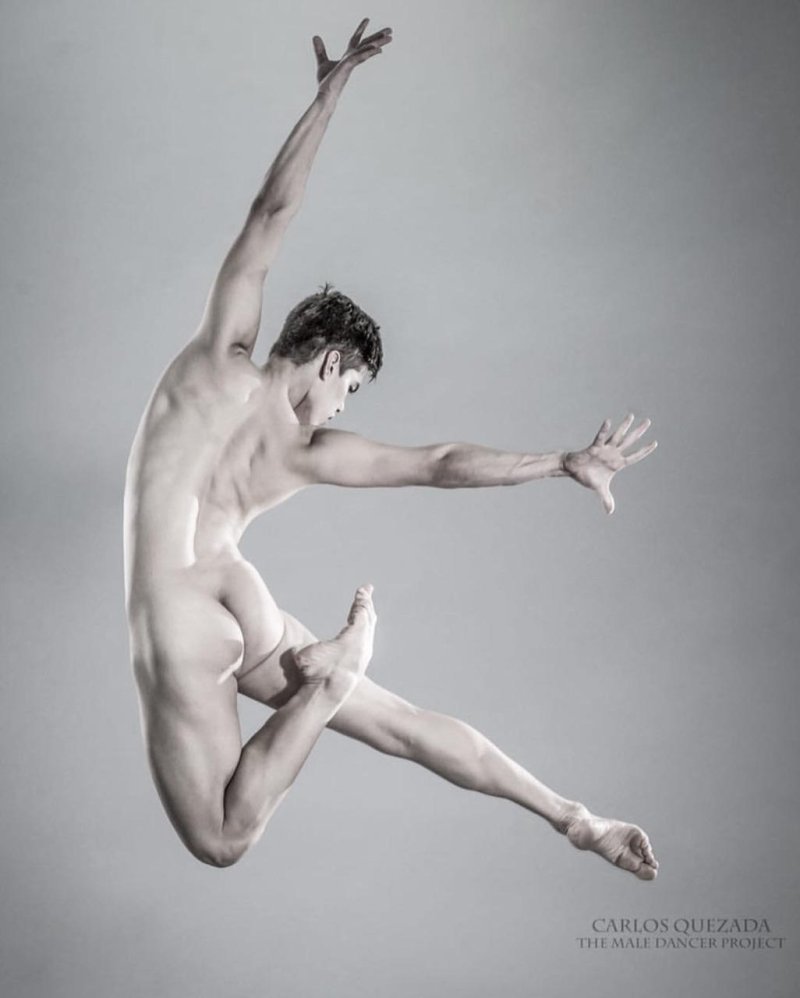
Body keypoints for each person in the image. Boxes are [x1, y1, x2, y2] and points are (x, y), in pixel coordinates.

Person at [123, 17, 659, 877]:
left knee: (222, 839)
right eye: (352, 387)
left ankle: (335, 677)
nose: (342, 405)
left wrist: (328, 92)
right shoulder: (303, 453)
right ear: (330, 360)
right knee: (398, 725)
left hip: (176, 610)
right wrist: (558, 462)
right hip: (234, 594)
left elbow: (269, 215)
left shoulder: (212, 364)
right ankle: (576, 820)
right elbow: (436, 465)